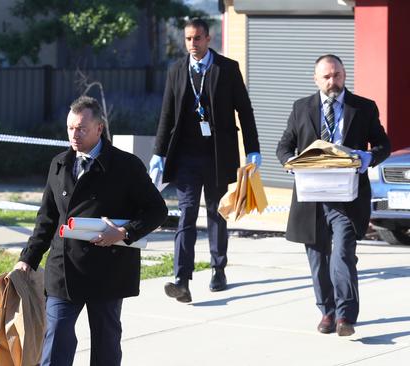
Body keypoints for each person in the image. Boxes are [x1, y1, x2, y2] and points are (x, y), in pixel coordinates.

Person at [13, 96, 168, 365]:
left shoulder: (126, 166)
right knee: (56, 338)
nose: (74, 135)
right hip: (63, 269)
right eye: (71, 128)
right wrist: (28, 259)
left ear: (99, 128)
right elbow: (47, 218)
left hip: (108, 271)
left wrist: (124, 232)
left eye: (82, 128)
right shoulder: (59, 164)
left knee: (106, 347)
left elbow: (157, 210)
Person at [276, 54, 391, 336]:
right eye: (326, 76)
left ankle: (345, 318)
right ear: (315, 79)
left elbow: (383, 145)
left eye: (337, 75)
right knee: (318, 261)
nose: (332, 81)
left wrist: (367, 157)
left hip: (347, 198)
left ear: (344, 75)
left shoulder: (362, 107)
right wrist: (292, 164)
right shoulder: (301, 107)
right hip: (311, 199)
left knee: (342, 255)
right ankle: (326, 312)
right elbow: (284, 147)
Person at [150, 18, 261, 302]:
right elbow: (166, 114)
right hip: (186, 157)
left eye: (197, 38)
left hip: (216, 156)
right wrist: (158, 153)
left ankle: (218, 268)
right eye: (188, 39)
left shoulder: (227, 69)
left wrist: (252, 149)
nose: (192, 44)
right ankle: (181, 279)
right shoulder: (177, 70)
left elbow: (244, 111)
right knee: (186, 215)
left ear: (209, 39)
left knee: (216, 213)